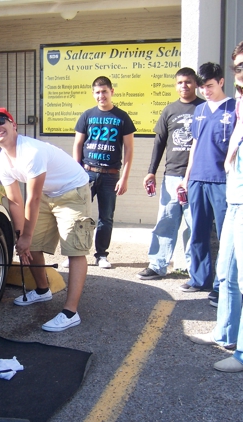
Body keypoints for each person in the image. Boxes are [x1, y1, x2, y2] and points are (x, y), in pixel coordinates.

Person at [0, 107, 95, 332]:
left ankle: (71, 312)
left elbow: (31, 199)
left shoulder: (30, 151)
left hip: (73, 191)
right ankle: (42, 290)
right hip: (47, 193)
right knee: (30, 243)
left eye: (1, 121)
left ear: (14, 126)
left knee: (74, 249)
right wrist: (21, 237)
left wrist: (26, 236)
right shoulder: (2, 161)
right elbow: (15, 201)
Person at [188, 42, 243, 372]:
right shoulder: (239, 105)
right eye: (238, 66)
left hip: (236, 198)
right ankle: (225, 333)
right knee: (227, 274)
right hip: (235, 198)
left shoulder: (232, 104)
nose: (241, 72)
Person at [137, 68, 204, 280]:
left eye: (188, 82)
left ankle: (194, 270)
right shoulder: (169, 110)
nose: (184, 86)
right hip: (172, 176)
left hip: (197, 177)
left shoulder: (204, 108)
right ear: (176, 85)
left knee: (194, 225)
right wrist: (151, 172)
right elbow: (159, 143)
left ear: (196, 84)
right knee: (166, 221)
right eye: (180, 82)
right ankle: (157, 265)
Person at [178, 63, 236, 299]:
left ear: (221, 82)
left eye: (210, 86)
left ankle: (223, 287)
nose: (206, 91)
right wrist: (186, 177)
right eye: (202, 87)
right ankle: (199, 279)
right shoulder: (200, 110)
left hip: (222, 181)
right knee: (198, 232)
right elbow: (194, 145)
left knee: (225, 236)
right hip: (197, 180)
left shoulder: (234, 108)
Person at [73, 76, 135, 268]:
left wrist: (124, 178)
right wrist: (76, 173)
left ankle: (101, 255)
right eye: (98, 92)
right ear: (93, 94)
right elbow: (78, 144)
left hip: (111, 175)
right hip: (87, 173)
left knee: (106, 217)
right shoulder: (87, 115)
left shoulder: (122, 117)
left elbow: (129, 149)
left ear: (112, 92)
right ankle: (75, 253)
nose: (101, 95)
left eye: (105, 91)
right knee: (78, 214)